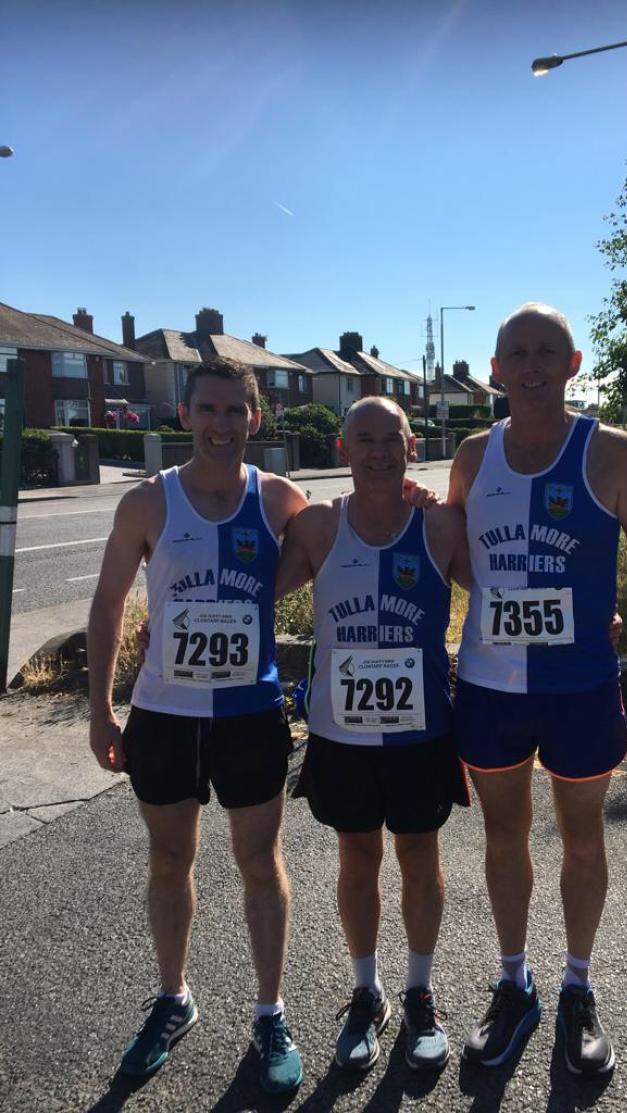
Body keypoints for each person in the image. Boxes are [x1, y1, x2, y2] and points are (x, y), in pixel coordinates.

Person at [448, 303, 627, 1076]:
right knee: (502, 835)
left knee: (582, 836)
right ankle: (515, 983)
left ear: (573, 363)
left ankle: (577, 986)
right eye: (517, 353)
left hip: (579, 686)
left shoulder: (609, 452)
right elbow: (457, 558)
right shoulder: (472, 455)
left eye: (546, 350)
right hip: (490, 685)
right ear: (495, 370)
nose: (532, 365)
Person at [88, 358, 308, 1095]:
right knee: (168, 859)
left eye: (234, 410)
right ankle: (173, 997)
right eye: (207, 409)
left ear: (255, 418)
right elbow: (107, 604)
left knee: (259, 861)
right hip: (165, 715)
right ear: (184, 416)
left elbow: (340, 541)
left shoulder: (278, 497)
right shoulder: (148, 502)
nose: (221, 424)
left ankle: (270, 1012)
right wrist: (101, 708)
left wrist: (412, 494)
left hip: (249, 715)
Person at [277, 396, 470, 1073]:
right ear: (344, 449)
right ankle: (367, 992)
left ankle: (420, 992)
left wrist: (596, 618)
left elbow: (503, 590)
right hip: (343, 731)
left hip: (421, 729)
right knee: (357, 856)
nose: (380, 452)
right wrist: (162, 619)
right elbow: (251, 591)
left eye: (392, 439)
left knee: (418, 852)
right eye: (366, 439)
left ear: (411, 447)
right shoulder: (317, 526)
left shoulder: (440, 523)